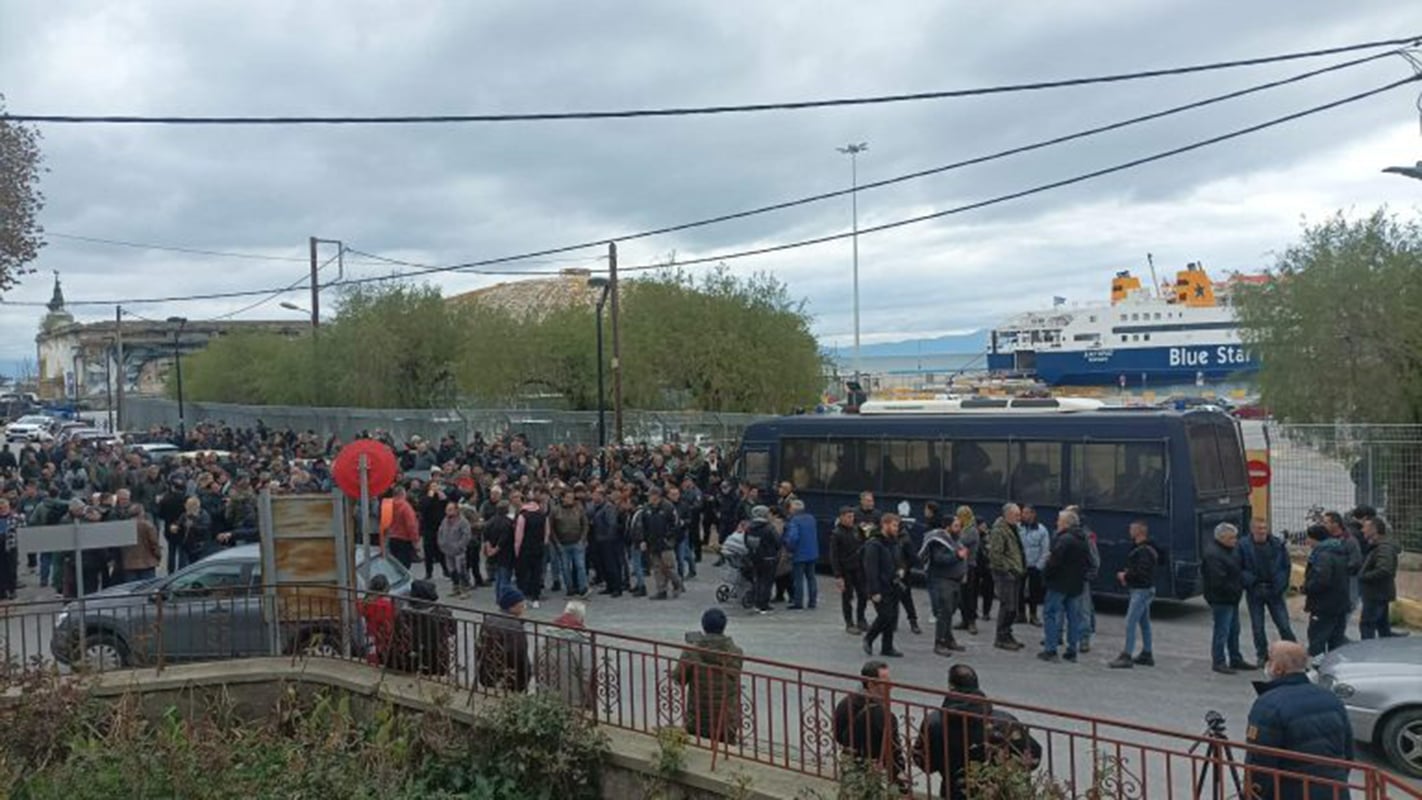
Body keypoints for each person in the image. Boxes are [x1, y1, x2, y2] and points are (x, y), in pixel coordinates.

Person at [1244, 641, 1353, 800]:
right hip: (1335, 792)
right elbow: (1348, 752)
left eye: (1270, 659)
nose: (1267, 664)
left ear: (1278, 668)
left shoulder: (1268, 704)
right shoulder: (1331, 698)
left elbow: (1260, 762)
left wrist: (1252, 794)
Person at [914, 664, 990, 800]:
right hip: (992, 791)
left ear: (951, 687)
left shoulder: (934, 721)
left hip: (952, 790)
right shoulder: (1002, 721)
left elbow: (923, 761)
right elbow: (1027, 754)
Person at [674, 608, 745, 744]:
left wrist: (689, 650)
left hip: (697, 720)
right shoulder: (736, 652)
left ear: (703, 626)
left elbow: (679, 679)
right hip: (726, 722)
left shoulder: (692, 651)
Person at [832, 660, 904, 785]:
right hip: (873, 772)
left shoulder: (846, 703)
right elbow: (893, 750)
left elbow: (838, 734)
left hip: (850, 767)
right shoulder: (882, 716)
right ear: (871, 684)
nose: (891, 686)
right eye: (885, 682)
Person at [1239, 518, 1297, 666]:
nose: (1262, 531)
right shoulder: (1243, 545)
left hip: (1274, 591)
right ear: (1252, 529)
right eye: (1259, 528)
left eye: (1265, 528)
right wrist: (1250, 582)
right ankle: (1262, 655)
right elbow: (1239, 567)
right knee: (1258, 627)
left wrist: (1281, 585)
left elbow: (1285, 566)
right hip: (1255, 591)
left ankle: (1294, 654)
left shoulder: (1277, 544)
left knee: (1284, 625)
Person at [1201, 522, 1254, 674]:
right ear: (1221, 537)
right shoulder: (1213, 555)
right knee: (1222, 631)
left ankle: (1235, 658)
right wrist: (1237, 587)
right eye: (1231, 538)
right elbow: (1217, 581)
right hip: (1222, 599)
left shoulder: (1230, 550)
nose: (1235, 540)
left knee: (1234, 630)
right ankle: (1219, 661)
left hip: (1232, 598)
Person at [1037, 509, 1089, 663]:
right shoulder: (1083, 539)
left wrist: (1046, 574)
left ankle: (1051, 649)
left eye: (1059, 520)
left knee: (1050, 614)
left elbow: (1054, 562)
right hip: (1075, 585)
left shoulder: (1064, 539)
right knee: (1073, 617)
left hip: (1058, 583)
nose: (1057, 523)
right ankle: (1072, 650)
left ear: (1066, 523)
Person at [1110, 520, 1159, 668]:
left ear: (1139, 532)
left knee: (1130, 622)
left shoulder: (1143, 551)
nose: (1129, 531)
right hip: (1145, 589)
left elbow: (1142, 573)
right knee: (1144, 623)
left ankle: (1127, 654)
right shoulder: (1148, 549)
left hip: (1141, 590)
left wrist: (1126, 576)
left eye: (1132, 529)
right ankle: (1147, 653)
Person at [920, 516, 969, 657]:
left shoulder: (955, 539)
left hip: (955, 581)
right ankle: (939, 643)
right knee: (944, 611)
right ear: (948, 527)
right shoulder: (940, 541)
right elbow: (939, 559)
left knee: (950, 611)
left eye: (959, 526)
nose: (959, 529)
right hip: (942, 580)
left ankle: (948, 639)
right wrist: (957, 556)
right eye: (956, 526)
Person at [388, 579, 455, 676]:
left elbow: (398, 635)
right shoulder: (442, 613)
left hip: (409, 660)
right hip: (436, 660)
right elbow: (452, 630)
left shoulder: (403, 614)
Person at [535, 600, 593, 709]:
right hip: (572, 701)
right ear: (581, 619)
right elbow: (586, 678)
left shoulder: (544, 639)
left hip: (546, 698)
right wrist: (590, 703)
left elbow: (536, 667)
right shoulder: (581, 645)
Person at [1303, 524, 1351, 657]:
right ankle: (1334, 665)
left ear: (1315, 539)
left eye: (1308, 538)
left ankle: (1317, 666)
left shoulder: (1322, 555)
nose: (1307, 541)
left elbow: (1321, 580)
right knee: (1336, 640)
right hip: (1340, 603)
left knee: (1317, 638)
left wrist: (1306, 588)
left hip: (1323, 605)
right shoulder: (1339, 551)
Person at [862, 513, 905, 658]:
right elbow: (871, 569)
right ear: (884, 525)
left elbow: (899, 559)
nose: (896, 528)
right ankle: (869, 638)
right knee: (885, 615)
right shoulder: (874, 544)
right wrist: (874, 591)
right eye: (894, 525)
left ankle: (887, 647)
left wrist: (901, 568)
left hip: (893, 585)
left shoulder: (894, 542)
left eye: (897, 526)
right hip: (880, 587)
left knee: (892, 618)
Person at [476, 586, 532, 691]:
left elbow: (480, 646)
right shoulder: (514, 626)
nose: (524, 608)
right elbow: (520, 654)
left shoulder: (489, 619)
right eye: (522, 605)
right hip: (508, 678)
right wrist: (524, 678)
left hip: (488, 673)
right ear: (512, 606)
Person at [986, 504, 1025, 651]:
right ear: (1007, 514)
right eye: (1016, 515)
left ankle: (1007, 634)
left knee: (1013, 609)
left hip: (1015, 573)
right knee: (1007, 607)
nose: (1019, 518)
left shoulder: (1012, 528)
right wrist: (1007, 570)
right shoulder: (999, 530)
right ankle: (1001, 638)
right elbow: (995, 555)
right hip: (1005, 575)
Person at [1358, 516, 1403, 640]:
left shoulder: (1383, 548)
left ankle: (1367, 650)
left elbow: (1384, 569)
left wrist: (1363, 576)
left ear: (1374, 530)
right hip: (1378, 592)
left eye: (1365, 527)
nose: (1362, 530)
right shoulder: (1378, 546)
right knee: (1381, 624)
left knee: (1367, 625)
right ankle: (1386, 644)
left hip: (1376, 593)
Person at [831, 505, 869, 634]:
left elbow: (865, 542)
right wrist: (838, 575)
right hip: (845, 569)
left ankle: (861, 619)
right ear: (841, 518)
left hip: (859, 568)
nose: (851, 519)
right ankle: (849, 623)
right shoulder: (837, 534)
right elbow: (834, 556)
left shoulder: (857, 529)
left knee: (863, 594)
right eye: (848, 517)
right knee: (847, 597)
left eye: (852, 516)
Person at [642, 486, 683, 601]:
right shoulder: (647, 508)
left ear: (656, 496)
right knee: (657, 568)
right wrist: (644, 539)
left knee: (668, 567)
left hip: (666, 543)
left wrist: (669, 537)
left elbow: (676, 524)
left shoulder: (668, 507)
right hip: (653, 542)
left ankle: (677, 583)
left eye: (650, 495)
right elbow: (644, 526)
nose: (649, 498)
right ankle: (661, 590)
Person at [1322, 511, 1363, 617]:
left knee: (1348, 607)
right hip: (1330, 580)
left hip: (1348, 579)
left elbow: (1356, 561)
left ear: (1335, 524)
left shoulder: (1349, 540)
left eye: (1326, 523)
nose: (1323, 525)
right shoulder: (1325, 539)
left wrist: (1340, 570)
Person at [550, 489, 590, 598]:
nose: (570, 500)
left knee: (580, 566)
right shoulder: (555, 510)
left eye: (571, 497)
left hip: (577, 542)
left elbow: (585, 524)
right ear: (563, 498)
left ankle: (583, 588)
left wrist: (583, 539)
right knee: (565, 567)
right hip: (563, 543)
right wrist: (556, 542)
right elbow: (551, 528)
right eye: (568, 497)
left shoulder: (579, 509)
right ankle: (570, 588)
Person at [513, 493, 550, 607]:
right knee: (536, 574)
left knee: (523, 575)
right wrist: (543, 544)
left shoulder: (523, 516)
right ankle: (535, 599)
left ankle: (522, 599)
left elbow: (519, 536)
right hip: (538, 548)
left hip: (525, 549)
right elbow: (546, 533)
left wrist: (517, 551)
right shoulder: (543, 516)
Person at [784, 499, 819, 610]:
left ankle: (798, 602)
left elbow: (793, 537)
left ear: (793, 510)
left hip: (799, 553)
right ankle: (812, 601)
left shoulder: (794, 520)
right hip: (812, 552)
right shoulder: (811, 518)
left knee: (798, 579)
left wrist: (789, 548)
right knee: (811, 578)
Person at [1018, 505, 1049, 627]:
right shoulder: (1018, 527)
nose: (1023, 515)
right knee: (1018, 590)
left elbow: (1045, 550)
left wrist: (1039, 566)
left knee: (1034, 592)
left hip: (1034, 566)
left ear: (1033, 514)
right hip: (1019, 565)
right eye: (1023, 513)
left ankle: (1033, 615)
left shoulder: (1041, 530)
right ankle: (1021, 614)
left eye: (1026, 513)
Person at [744, 505, 780, 613]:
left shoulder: (749, 527)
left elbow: (746, 542)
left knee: (758, 580)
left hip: (755, 557)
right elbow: (777, 542)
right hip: (769, 558)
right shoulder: (769, 528)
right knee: (767, 582)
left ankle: (756, 601)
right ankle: (763, 604)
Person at [953, 506, 980, 636]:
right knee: (961, 595)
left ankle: (971, 621)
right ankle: (964, 619)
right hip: (960, 565)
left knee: (969, 595)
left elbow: (959, 542)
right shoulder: (963, 529)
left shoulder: (971, 530)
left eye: (959, 516)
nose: (957, 519)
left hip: (969, 566)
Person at [118, 502, 162, 583]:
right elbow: (154, 543)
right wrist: (158, 556)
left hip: (129, 564)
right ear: (141, 512)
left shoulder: (124, 526)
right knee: (147, 587)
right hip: (147, 563)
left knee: (132, 588)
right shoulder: (148, 525)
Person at [358, 573, 396, 665]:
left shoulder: (365, 602)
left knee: (372, 659)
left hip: (369, 635)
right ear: (385, 588)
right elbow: (389, 623)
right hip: (382, 637)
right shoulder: (385, 605)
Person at [438, 500, 473, 597]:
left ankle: (465, 590)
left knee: (461, 570)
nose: (448, 512)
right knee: (452, 570)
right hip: (447, 550)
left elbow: (466, 536)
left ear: (456, 510)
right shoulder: (444, 521)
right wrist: (441, 544)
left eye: (450, 509)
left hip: (459, 551)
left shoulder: (463, 522)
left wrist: (460, 546)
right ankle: (455, 588)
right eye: (447, 510)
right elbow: (440, 532)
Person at [385, 486, 421, 569]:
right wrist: (415, 540)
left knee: (395, 565)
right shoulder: (405, 507)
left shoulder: (388, 506)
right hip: (404, 539)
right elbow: (411, 525)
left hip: (392, 537)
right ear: (403, 494)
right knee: (404, 565)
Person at [0, 498, 21, 599]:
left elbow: (21, 529)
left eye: (4, 508)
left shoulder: (15, 518)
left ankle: (12, 590)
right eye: (1, 508)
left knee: (11, 569)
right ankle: (2, 591)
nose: (3, 510)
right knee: (1, 569)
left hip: (11, 546)